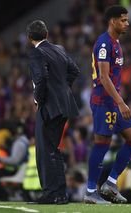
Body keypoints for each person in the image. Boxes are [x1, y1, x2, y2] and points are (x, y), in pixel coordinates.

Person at [84, 5, 131, 204]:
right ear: (112, 21)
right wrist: (121, 102)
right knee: (102, 144)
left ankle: (110, 183)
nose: (127, 23)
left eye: (127, 20)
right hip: (103, 101)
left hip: (114, 102)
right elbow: (104, 77)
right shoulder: (103, 43)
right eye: (123, 20)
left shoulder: (116, 43)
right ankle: (91, 191)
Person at [26, 20, 80, 204]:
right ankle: (60, 194)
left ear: (29, 38)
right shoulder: (60, 49)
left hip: (48, 106)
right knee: (53, 149)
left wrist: (38, 99)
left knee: (44, 150)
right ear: (47, 34)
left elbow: (41, 77)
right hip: (64, 106)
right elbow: (74, 70)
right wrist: (62, 89)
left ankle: (51, 193)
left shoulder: (36, 52)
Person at [0, 122, 29, 201]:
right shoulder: (22, 141)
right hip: (16, 169)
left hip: (14, 170)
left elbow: (14, 160)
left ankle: (3, 196)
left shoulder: (19, 143)